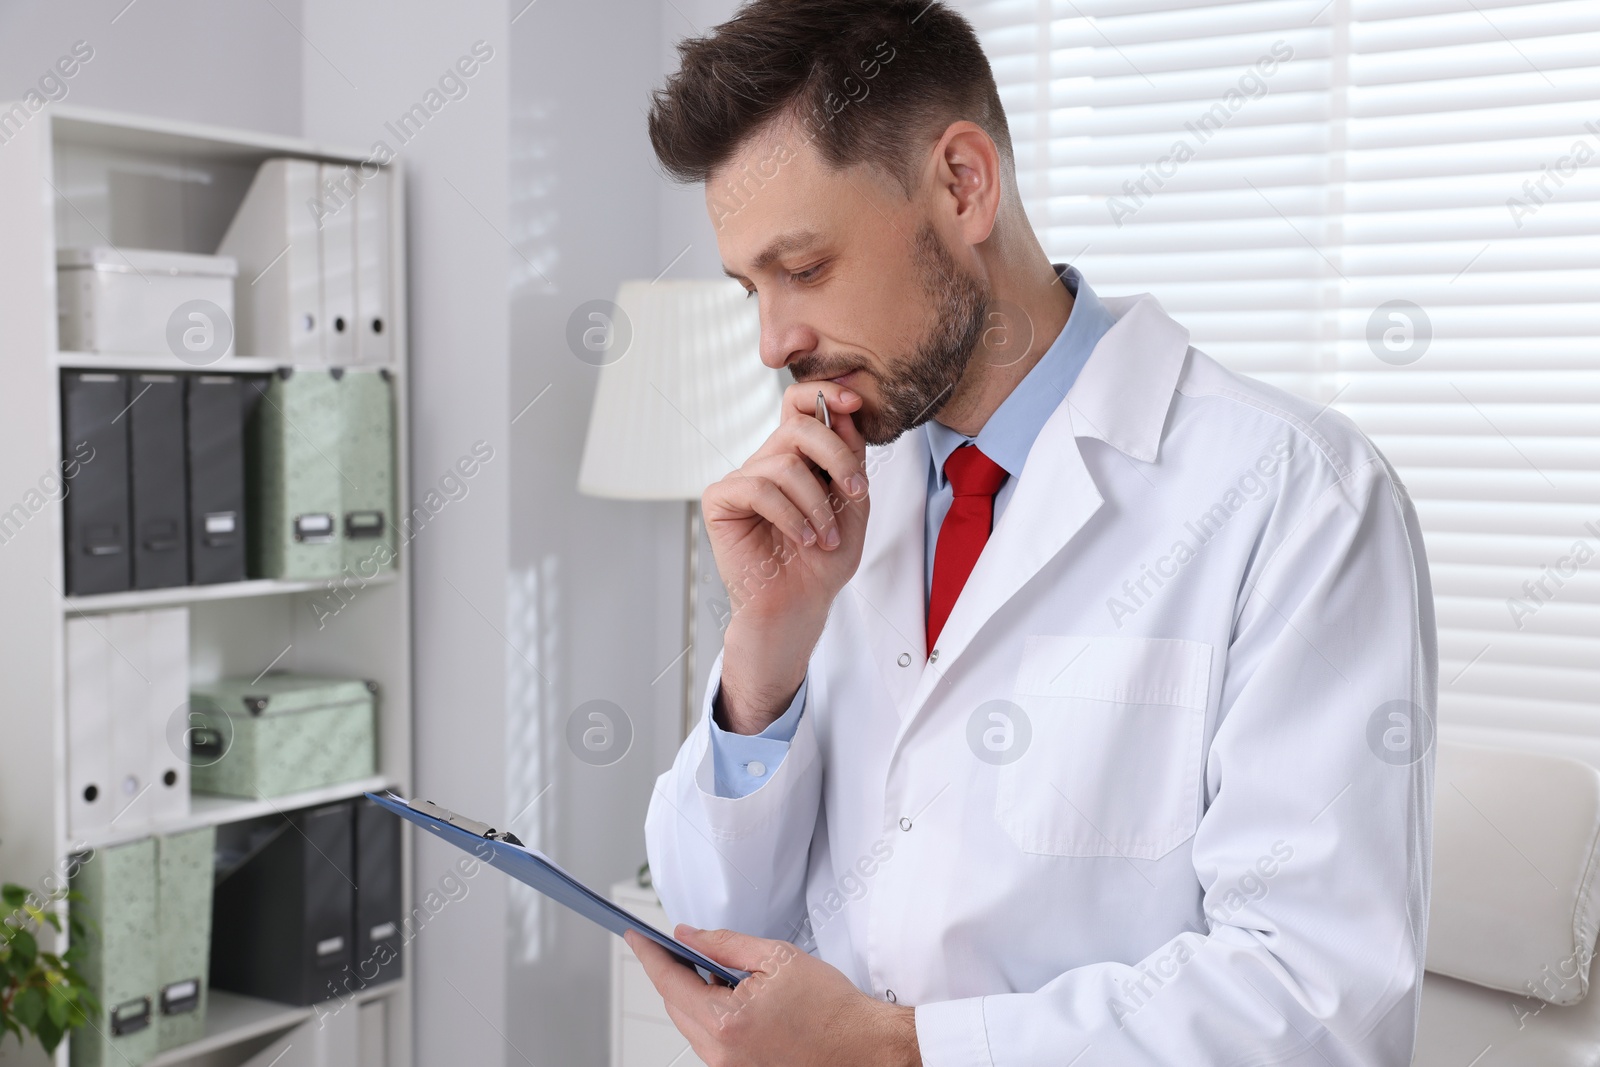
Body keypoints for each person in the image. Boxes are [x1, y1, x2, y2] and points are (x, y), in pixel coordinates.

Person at [622, 2, 1437, 1064]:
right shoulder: (839, 502)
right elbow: (715, 926)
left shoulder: (1295, 498)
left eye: (806, 268)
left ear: (963, 184)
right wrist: (763, 655)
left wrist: (895, 1044)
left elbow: (1317, 1003)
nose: (776, 341)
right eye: (751, 289)